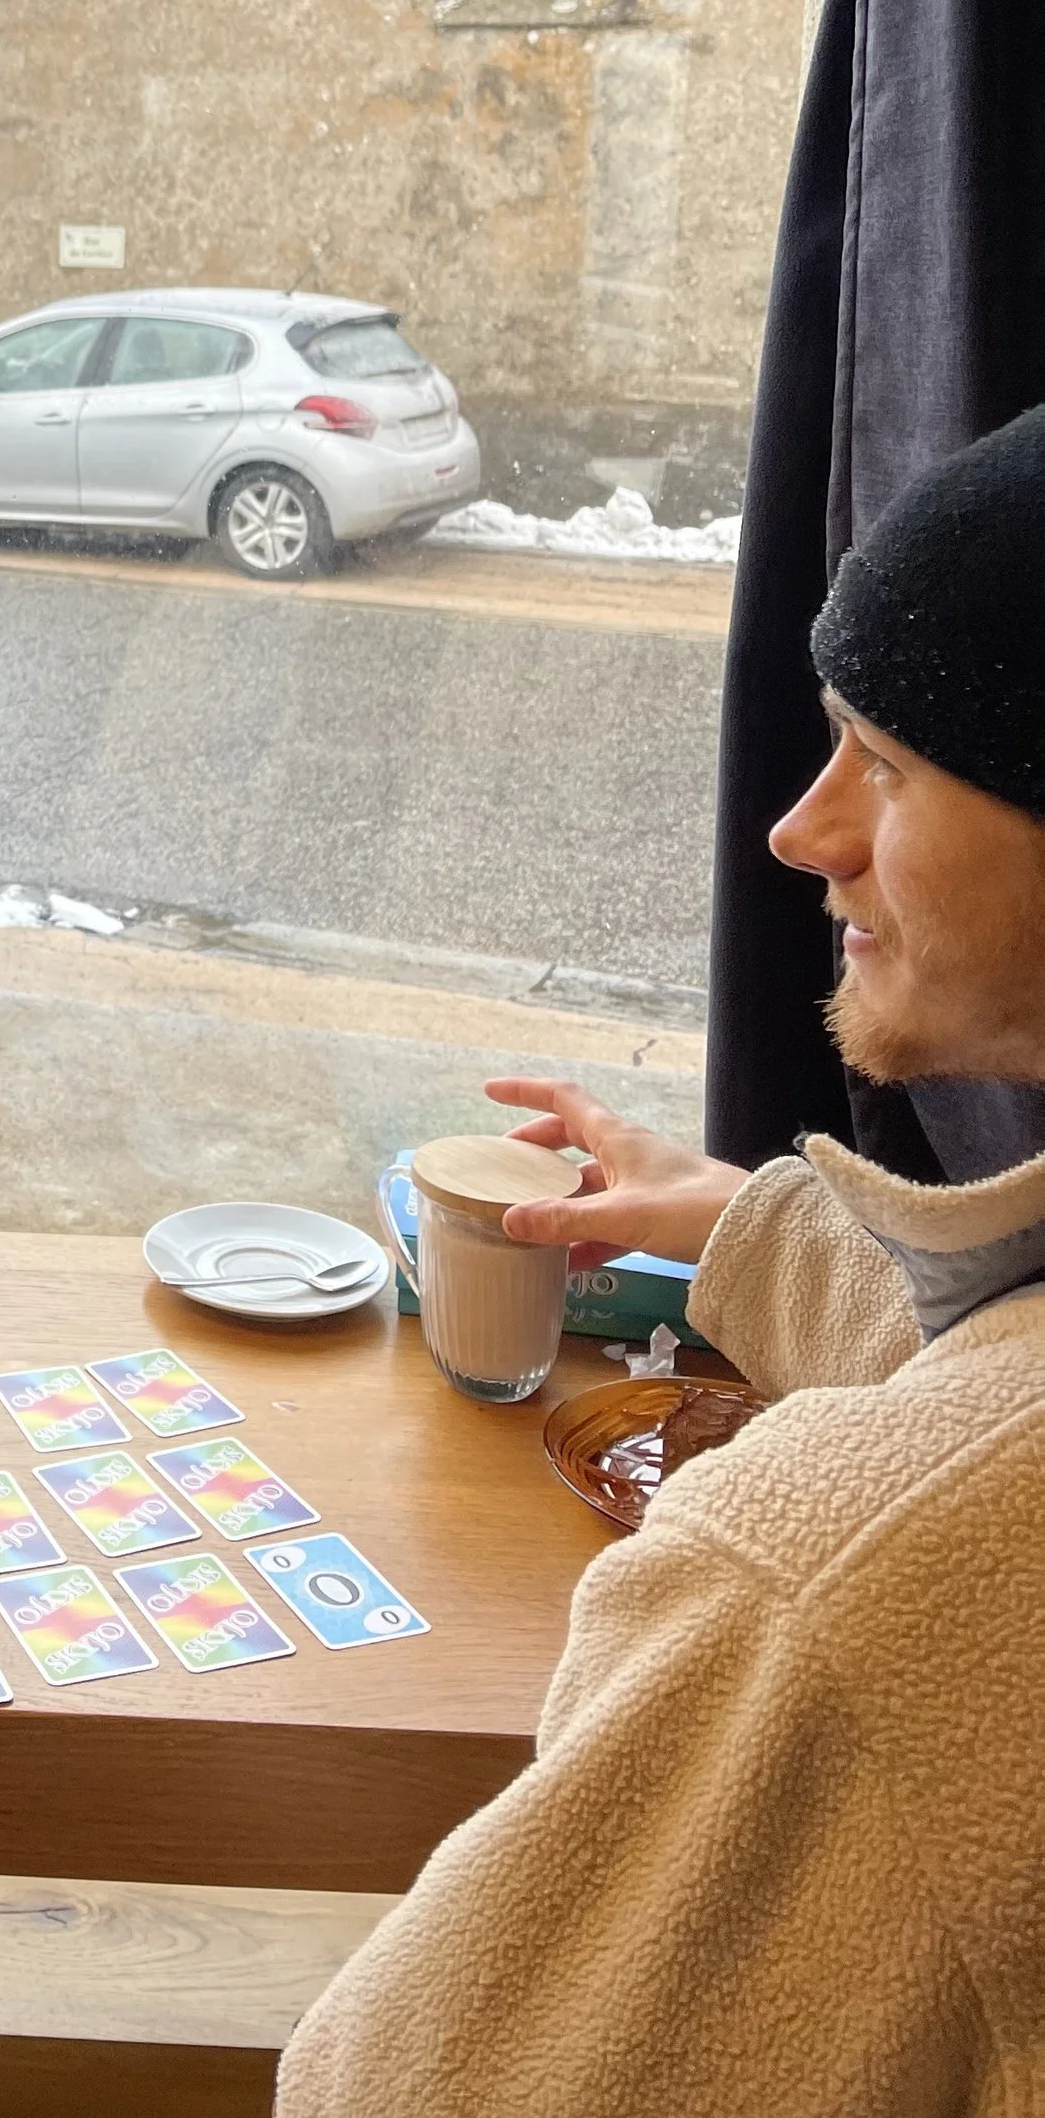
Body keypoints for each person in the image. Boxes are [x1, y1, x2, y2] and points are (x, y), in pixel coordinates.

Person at [277, 401, 1045, 2118]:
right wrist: (737, 1217)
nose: (801, 829)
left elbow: (397, 2089)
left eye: (893, 764)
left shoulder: (834, 1594)